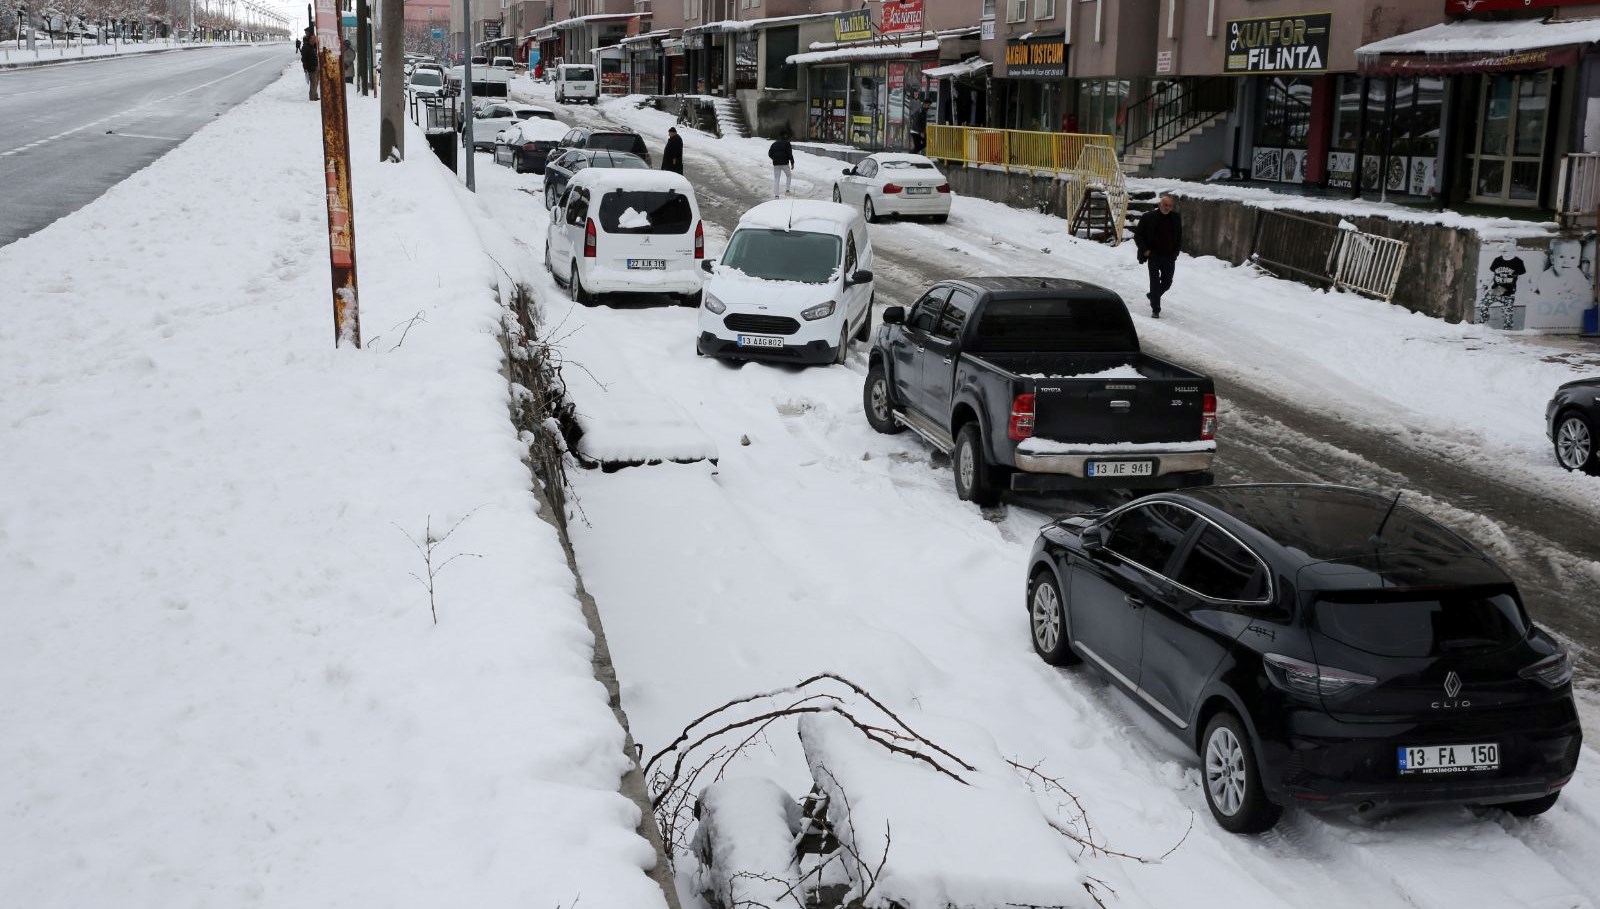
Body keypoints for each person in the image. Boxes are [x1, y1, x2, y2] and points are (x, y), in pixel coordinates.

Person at [1133, 192, 1182, 319]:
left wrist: (1175, 253)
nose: (1167, 207)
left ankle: (1153, 295)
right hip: (1154, 255)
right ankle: (1156, 309)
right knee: (1154, 282)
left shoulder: (1176, 218)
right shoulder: (1148, 217)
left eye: (1170, 205)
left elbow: (1179, 237)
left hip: (1169, 256)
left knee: (1167, 282)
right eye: (1165, 204)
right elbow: (1138, 235)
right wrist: (1145, 250)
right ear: (1160, 204)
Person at [768, 130, 794, 199]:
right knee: (788, 175)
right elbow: (789, 154)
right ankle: (787, 191)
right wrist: (792, 162)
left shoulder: (774, 144)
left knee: (777, 179)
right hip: (785, 163)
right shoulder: (787, 143)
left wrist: (774, 158)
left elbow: (769, 153)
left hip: (776, 164)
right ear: (785, 136)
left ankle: (776, 195)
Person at [300, 28, 318, 101]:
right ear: (310, 39)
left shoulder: (312, 47)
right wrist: (305, 68)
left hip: (314, 67)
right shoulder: (306, 47)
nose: (315, 40)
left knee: (315, 82)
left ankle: (315, 96)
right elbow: (303, 59)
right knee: (313, 83)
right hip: (310, 68)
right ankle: (313, 97)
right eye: (314, 39)